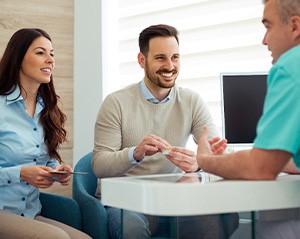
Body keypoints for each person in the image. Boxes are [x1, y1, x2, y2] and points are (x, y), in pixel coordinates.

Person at [92, 24, 239, 239]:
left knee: (224, 216)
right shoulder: (116, 103)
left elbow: (216, 151)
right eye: (160, 58)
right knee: (132, 228)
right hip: (128, 202)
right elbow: (99, 165)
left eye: (175, 57)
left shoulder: (191, 101)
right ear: (142, 60)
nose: (170, 66)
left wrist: (200, 162)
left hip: (173, 201)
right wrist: (136, 153)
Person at [197, 0, 300, 238]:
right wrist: (236, 158)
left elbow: (261, 169)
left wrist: (204, 159)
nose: (265, 40)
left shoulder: (290, 67)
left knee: (251, 232)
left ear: (294, 26)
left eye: (269, 26)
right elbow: (287, 163)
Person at [0, 28, 91, 239]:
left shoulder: (47, 109)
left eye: (52, 53)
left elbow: (42, 158)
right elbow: (25, 168)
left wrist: (55, 170)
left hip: (30, 213)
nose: (50, 60)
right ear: (19, 58)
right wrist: (21, 173)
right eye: (41, 53)